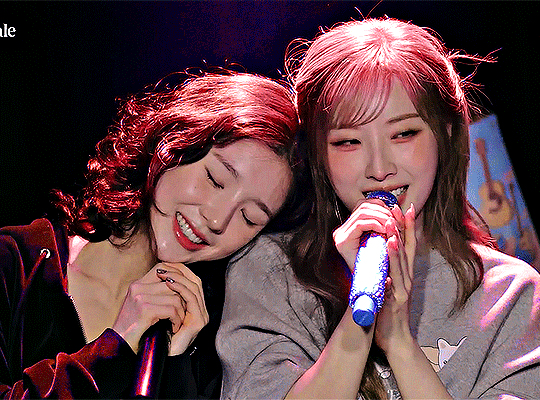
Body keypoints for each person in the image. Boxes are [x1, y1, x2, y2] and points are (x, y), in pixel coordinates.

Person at [217, 18, 540, 399]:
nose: (379, 168)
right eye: (348, 142)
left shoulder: (509, 294)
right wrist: (359, 321)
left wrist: (400, 344)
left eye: (403, 134)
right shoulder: (269, 272)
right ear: (318, 154)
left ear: (446, 132)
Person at [0, 71, 300, 398]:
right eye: (215, 179)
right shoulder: (15, 262)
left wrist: (176, 366)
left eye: (249, 217)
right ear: (173, 141)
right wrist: (117, 346)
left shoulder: (213, 341)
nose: (217, 220)